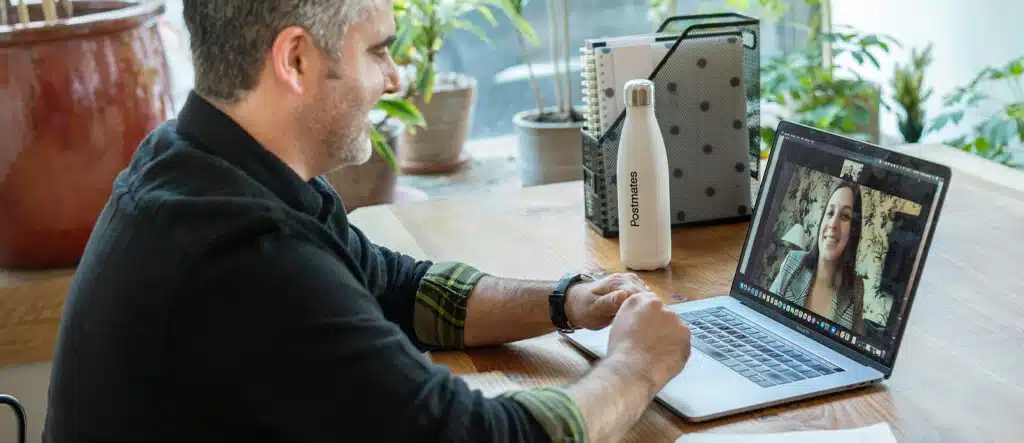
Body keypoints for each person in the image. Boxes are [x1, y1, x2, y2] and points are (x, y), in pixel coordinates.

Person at [40, 1, 692, 442]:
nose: (396, 77)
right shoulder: (244, 261)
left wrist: (565, 301)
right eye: (378, 51)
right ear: (295, 60)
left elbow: (391, 285)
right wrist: (635, 366)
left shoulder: (200, 158)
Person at [770, 180, 866, 334]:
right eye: (830, 213)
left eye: (845, 216)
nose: (833, 224)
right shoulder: (792, 261)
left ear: (853, 231)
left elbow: (855, 347)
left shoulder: (857, 288)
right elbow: (764, 316)